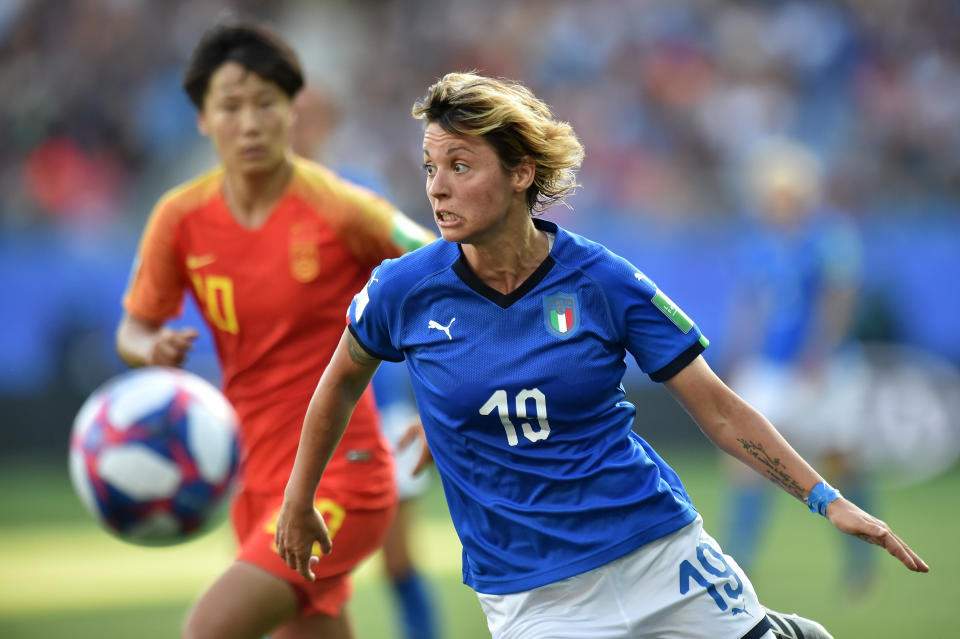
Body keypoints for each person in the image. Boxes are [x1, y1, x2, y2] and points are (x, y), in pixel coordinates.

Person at [274, 72, 928, 639]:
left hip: (656, 551)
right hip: (527, 591)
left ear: (521, 172)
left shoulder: (603, 280)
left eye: (461, 165)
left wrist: (826, 498)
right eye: (430, 166)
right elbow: (337, 386)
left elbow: (719, 408)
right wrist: (299, 500)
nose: (437, 188)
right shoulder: (402, 289)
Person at [116, 22, 434, 639]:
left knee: (207, 629)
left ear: (293, 109)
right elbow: (134, 325)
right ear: (203, 118)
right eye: (230, 106)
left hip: (342, 474)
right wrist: (147, 347)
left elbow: (440, 266)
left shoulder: (340, 205)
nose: (251, 122)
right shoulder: (179, 218)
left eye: (267, 103)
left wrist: (456, 387)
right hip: (254, 477)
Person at [720, 138, 875, 595]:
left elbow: (838, 299)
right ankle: (738, 565)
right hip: (770, 366)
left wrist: (820, 354)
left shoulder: (830, 236)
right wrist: (738, 352)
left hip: (819, 368)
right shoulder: (760, 242)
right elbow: (751, 305)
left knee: (840, 460)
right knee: (746, 460)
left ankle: (861, 562)